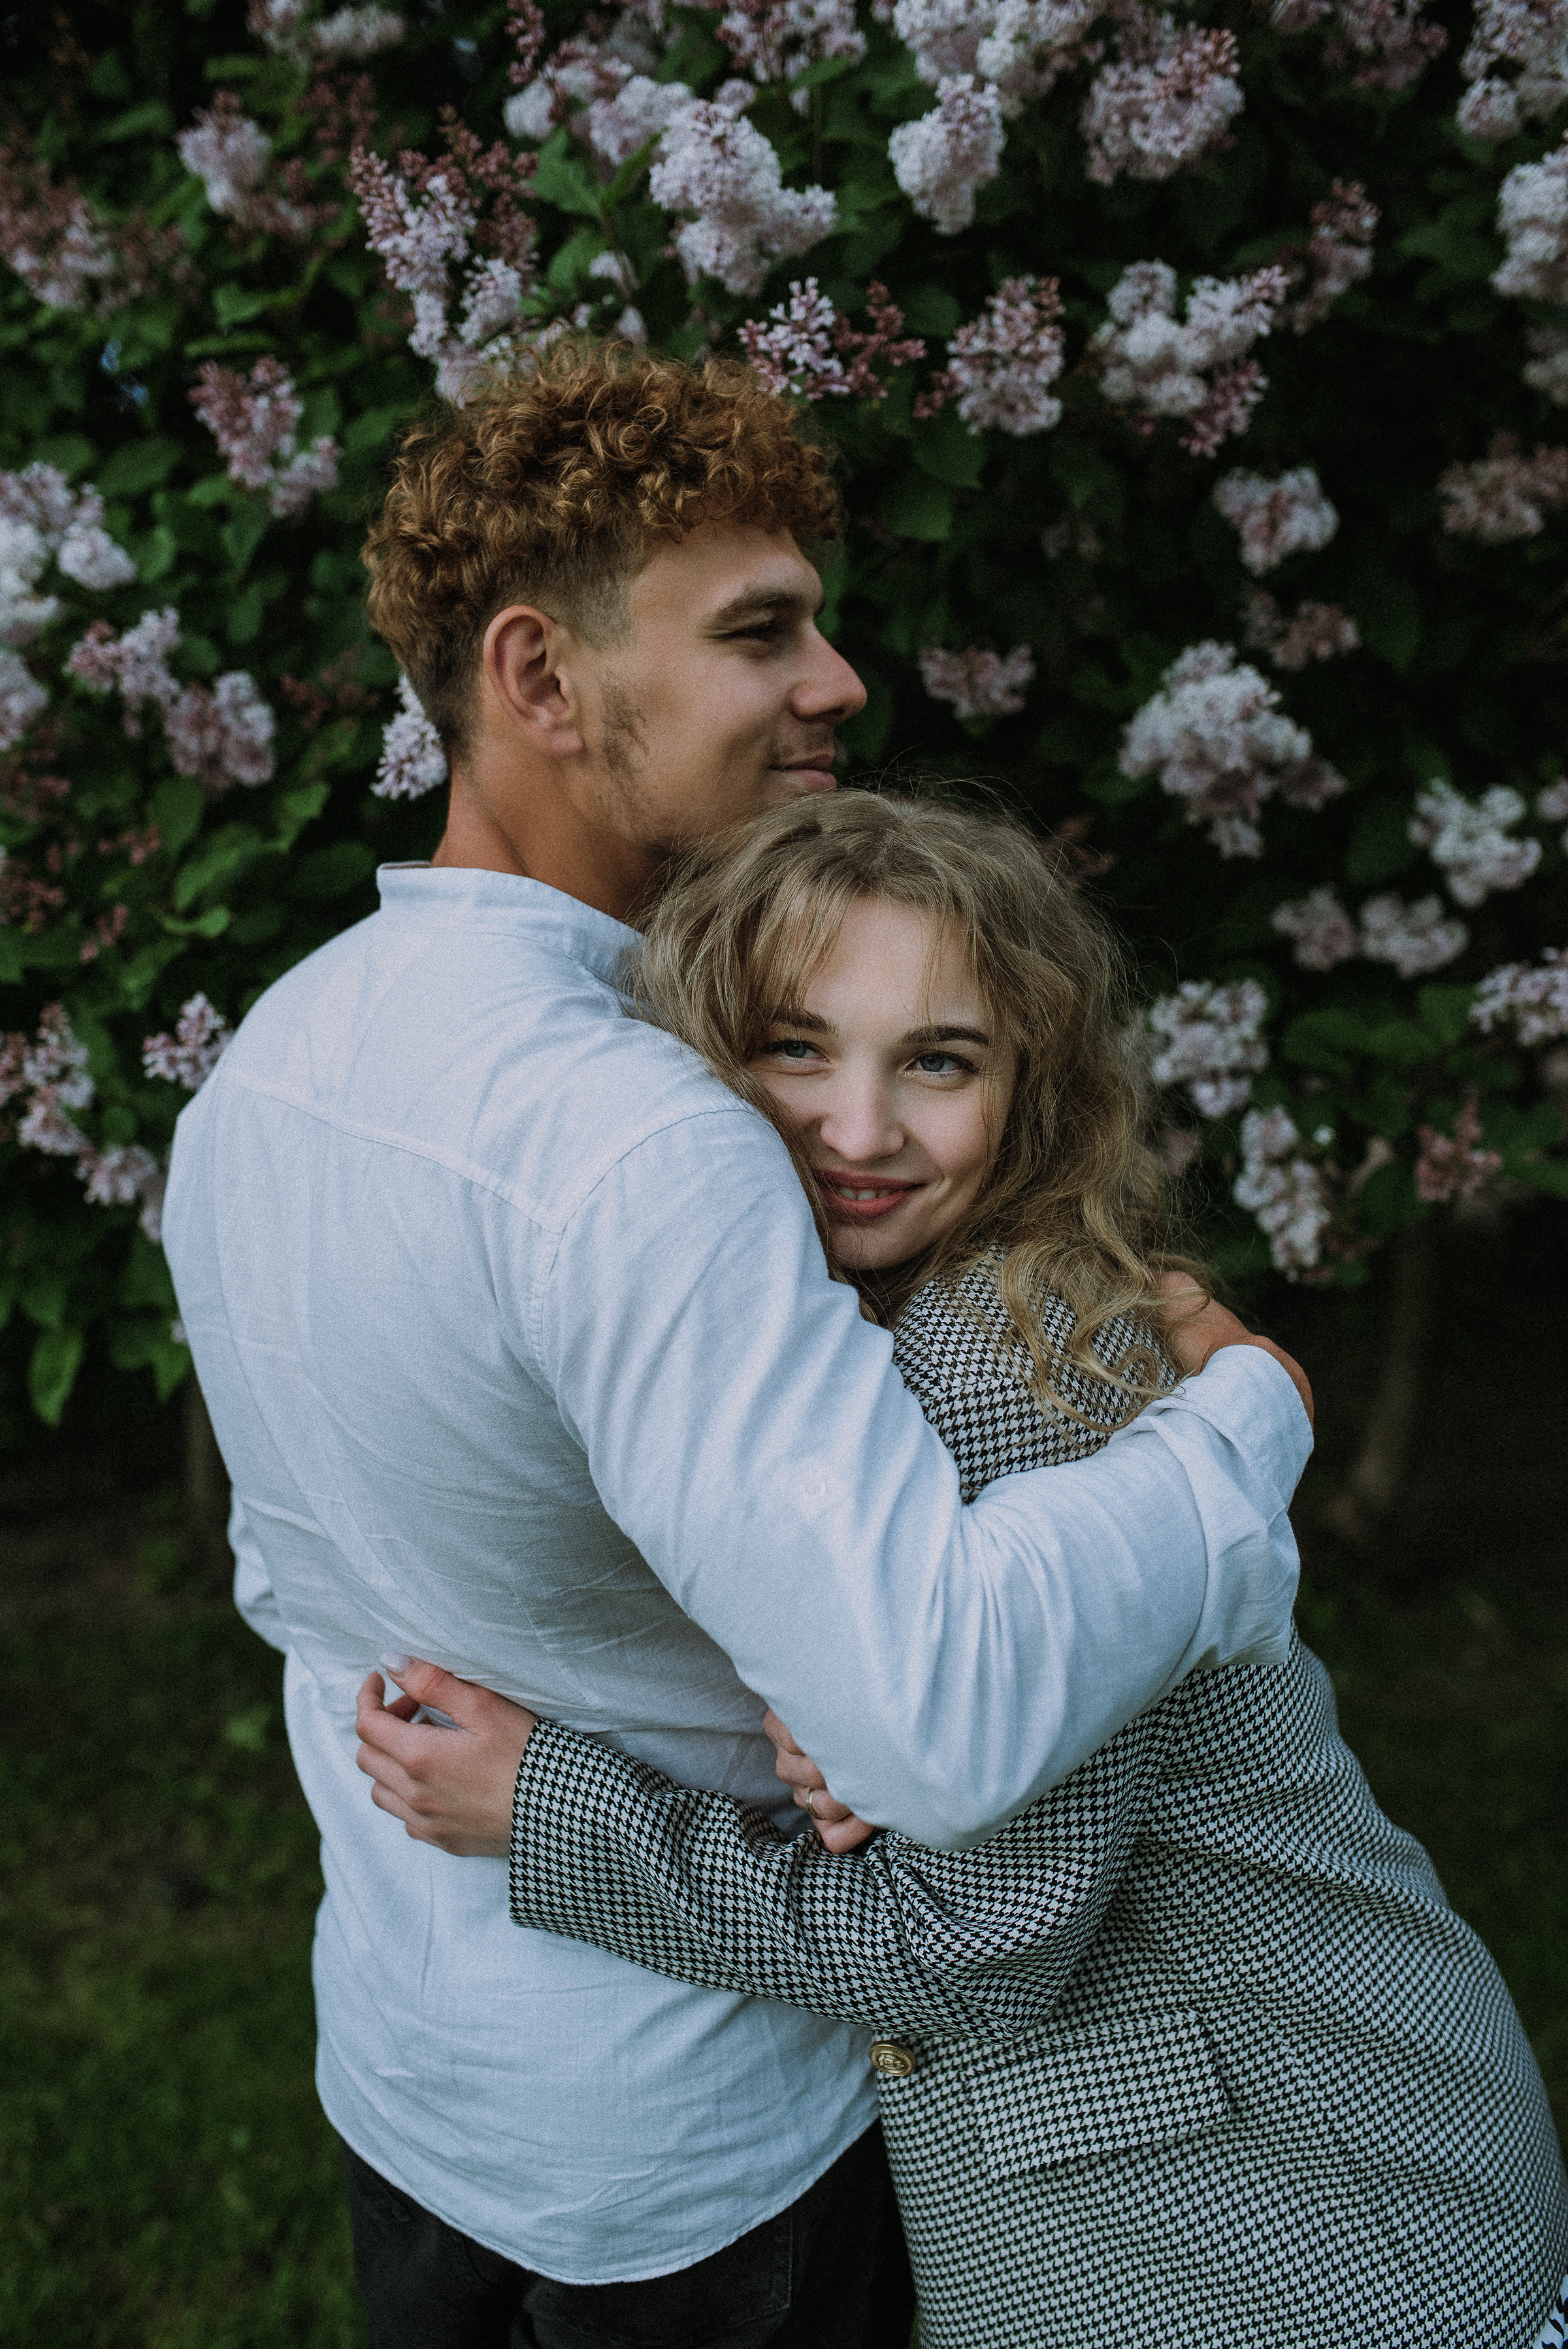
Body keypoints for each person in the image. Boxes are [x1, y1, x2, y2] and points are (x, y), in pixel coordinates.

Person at [162, 342, 1315, 2349]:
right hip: (707, 2141)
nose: (838, 682)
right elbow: (937, 1720)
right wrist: (1239, 1436)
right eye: (760, 630)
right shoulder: (642, 1139)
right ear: (541, 680)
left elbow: (296, 1577)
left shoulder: (271, 1056)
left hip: (416, 2068)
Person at [357, 789, 1568, 2349]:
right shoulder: (860, 1334)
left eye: (938, 1061)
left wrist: (546, 1808)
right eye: (795, 1046)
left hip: (1278, 2216)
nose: (860, 1131)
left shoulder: (999, 1374)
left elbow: (973, 1940)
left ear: (1029, 1091)